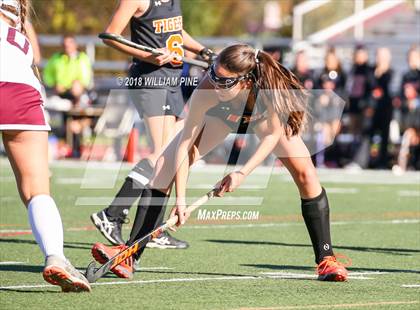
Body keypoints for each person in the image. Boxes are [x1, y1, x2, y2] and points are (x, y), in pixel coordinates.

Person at [92, 44, 350, 282]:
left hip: (261, 120)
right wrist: (181, 200)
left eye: (224, 81)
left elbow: (272, 135)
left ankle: (326, 259)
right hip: (223, 116)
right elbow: (185, 144)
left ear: (246, 80)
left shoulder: (266, 88)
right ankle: (130, 255)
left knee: (307, 176)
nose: (215, 84)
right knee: (164, 166)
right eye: (214, 75)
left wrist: (241, 173)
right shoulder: (208, 89)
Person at [90, 0, 213, 250]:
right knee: (160, 155)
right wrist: (149, 55)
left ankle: (154, 230)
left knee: (167, 156)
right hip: (149, 79)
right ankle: (112, 214)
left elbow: (175, 32)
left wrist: (203, 51)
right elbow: (110, 36)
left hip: (171, 78)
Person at [0, 0, 90, 292]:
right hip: (21, 90)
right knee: (36, 189)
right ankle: (56, 256)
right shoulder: (21, 17)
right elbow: (34, 55)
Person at [43, 34, 93, 158]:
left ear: (75, 45)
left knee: (77, 118)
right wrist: (54, 84)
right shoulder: (56, 58)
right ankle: (69, 146)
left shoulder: (82, 58)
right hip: (61, 96)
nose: (67, 47)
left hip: (78, 95)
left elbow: (85, 79)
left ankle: (77, 146)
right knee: (64, 117)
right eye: (65, 45)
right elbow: (47, 76)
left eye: (69, 44)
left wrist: (77, 85)